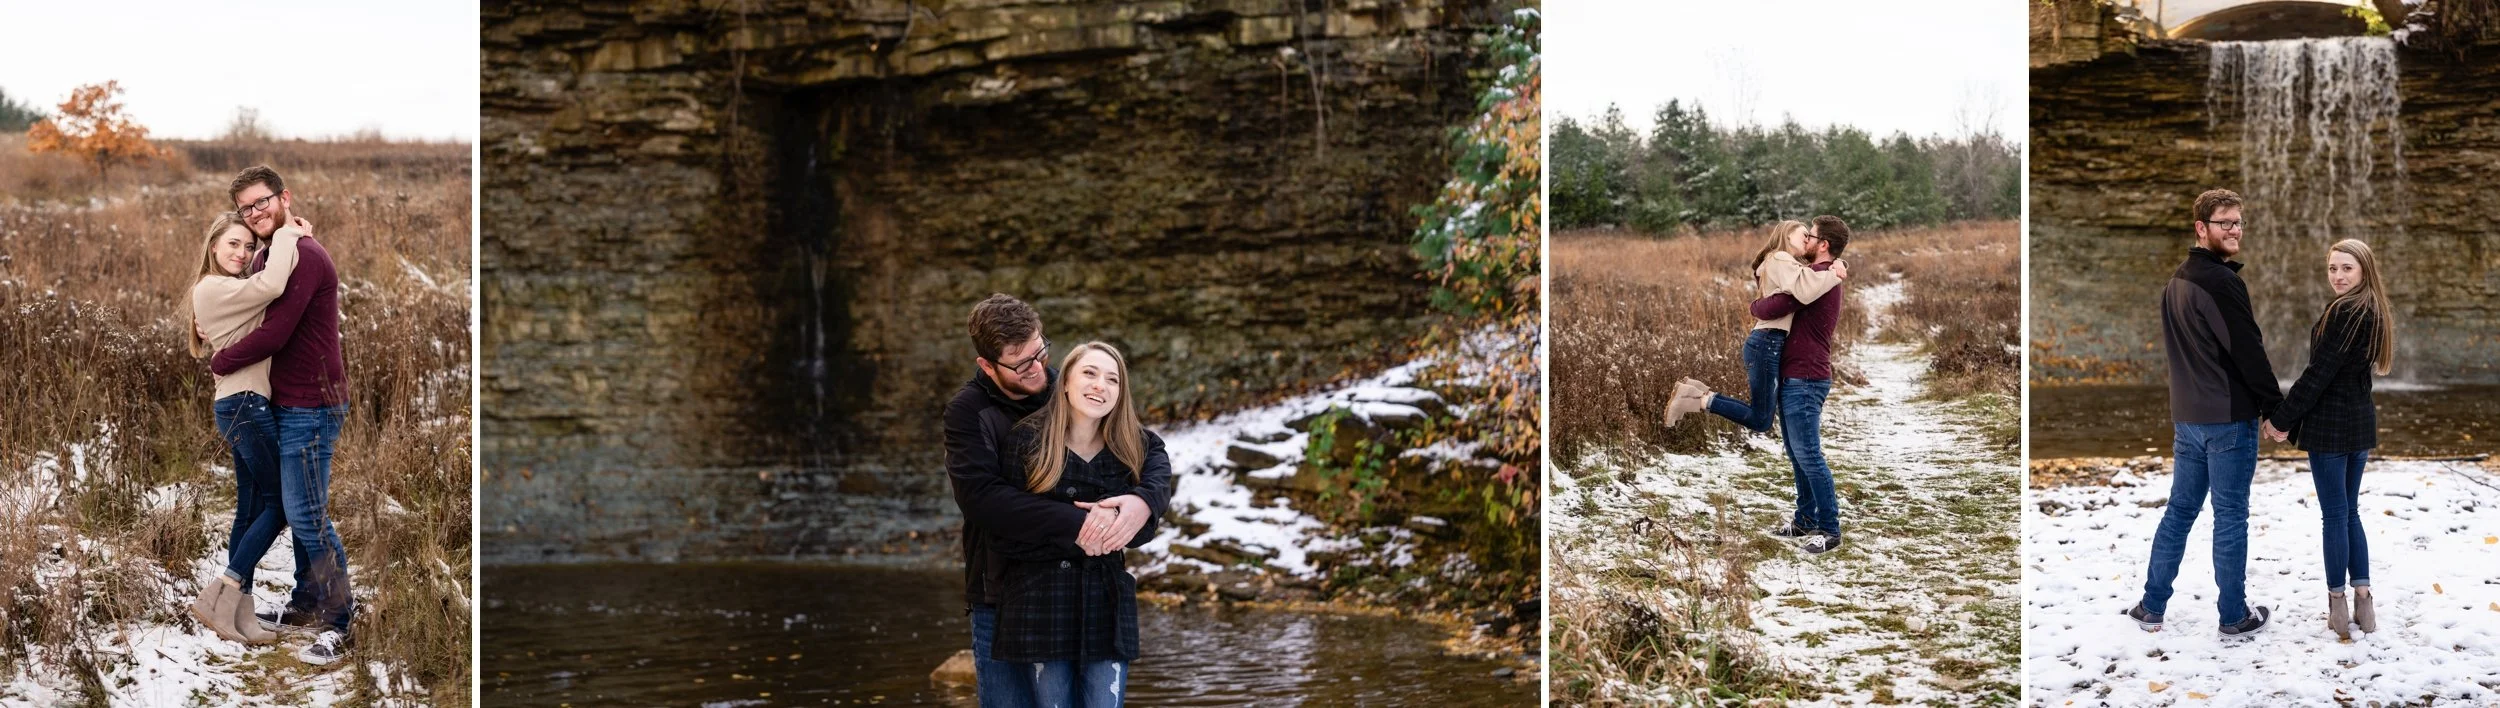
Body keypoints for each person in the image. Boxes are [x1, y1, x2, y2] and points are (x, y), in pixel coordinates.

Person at [943, 295, 1168, 706]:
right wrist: (1083, 525)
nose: (1037, 368)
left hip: (1088, 590)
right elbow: (982, 499)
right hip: (999, 588)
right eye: (1020, 364)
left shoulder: (1070, 387)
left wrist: (1143, 502)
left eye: (1040, 352)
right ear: (988, 366)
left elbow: (1147, 447)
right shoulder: (969, 411)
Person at [206, 165, 357, 664]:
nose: (255, 213)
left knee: (307, 515)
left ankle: (339, 622)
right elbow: (249, 308)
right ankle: (306, 601)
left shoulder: (305, 255)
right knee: (296, 508)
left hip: (313, 402)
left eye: (262, 202)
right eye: (246, 208)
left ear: (283, 197)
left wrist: (221, 361)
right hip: (283, 400)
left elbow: (276, 332)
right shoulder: (270, 255)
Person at [2127, 188, 2280, 638]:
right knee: (2230, 516)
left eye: (2238, 222)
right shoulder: (2221, 282)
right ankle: (2234, 616)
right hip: (2228, 419)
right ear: (2201, 228)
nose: (2234, 230)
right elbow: (2248, 351)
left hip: (2188, 420)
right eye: (2224, 223)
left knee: (2179, 510)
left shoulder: (2176, 281)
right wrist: (2276, 408)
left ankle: (2151, 606)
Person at [991, 342, 1169, 706]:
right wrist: (1081, 532)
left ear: (1120, 394)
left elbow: (1146, 526)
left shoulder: (1137, 446)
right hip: (1040, 604)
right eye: (1089, 373)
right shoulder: (1028, 440)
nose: (1100, 385)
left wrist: (1129, 513)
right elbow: (1004, 532)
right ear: (1065, 383)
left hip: (1107, 604)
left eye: (1112, 379)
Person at [183, 211, 308, 646]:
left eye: (249, 246)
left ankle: (239, 611)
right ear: (213, 246)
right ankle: (224, 589)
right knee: (283, 505)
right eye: (233, 243)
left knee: (250, 509)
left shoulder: (230, 290)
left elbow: (265, 295)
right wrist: (288, 234)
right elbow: (271, 285)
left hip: (241, 404)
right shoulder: (213, 287)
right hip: (245, 406)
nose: (242, 252)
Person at [2265, 239, 2395, 640]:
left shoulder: (2344, 312)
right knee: (2350, 512)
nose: (2338, 276)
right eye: (2332, 268)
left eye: (2346, 268)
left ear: (2364, 270)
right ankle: (2364, 603)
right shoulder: (2373, 309)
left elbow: (2318, 374)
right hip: (2359, 426)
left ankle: (2338, 605)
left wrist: (2281, 419)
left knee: (2335, 516)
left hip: (2332, 429)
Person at [1664, 220, 1848, 435]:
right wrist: (1834, 274)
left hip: (1768, 341)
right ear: (1787, 236)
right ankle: (1695, 399)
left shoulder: (1784, 262)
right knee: (1761, 419)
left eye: (1810, 236)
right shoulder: (1781, 258)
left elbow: (1804, 281)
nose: (1807, 240)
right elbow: (1803, 291)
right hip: (1767, 342)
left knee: (1761, 416)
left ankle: (1694, 395)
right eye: (1804, 235)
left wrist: (1839, 263)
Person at [1741, 215, 1852, 555]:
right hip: (1795, 374)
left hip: (1806, 376)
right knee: (1796, 452)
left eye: (1811, 237)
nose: (1805, 241)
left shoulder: (1820, 278)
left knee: (1808, 454)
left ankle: (1829, 530)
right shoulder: (1815, 274)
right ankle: (1804, 519)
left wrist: (1756, 305)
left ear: (1823, 245)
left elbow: (1774, 304)